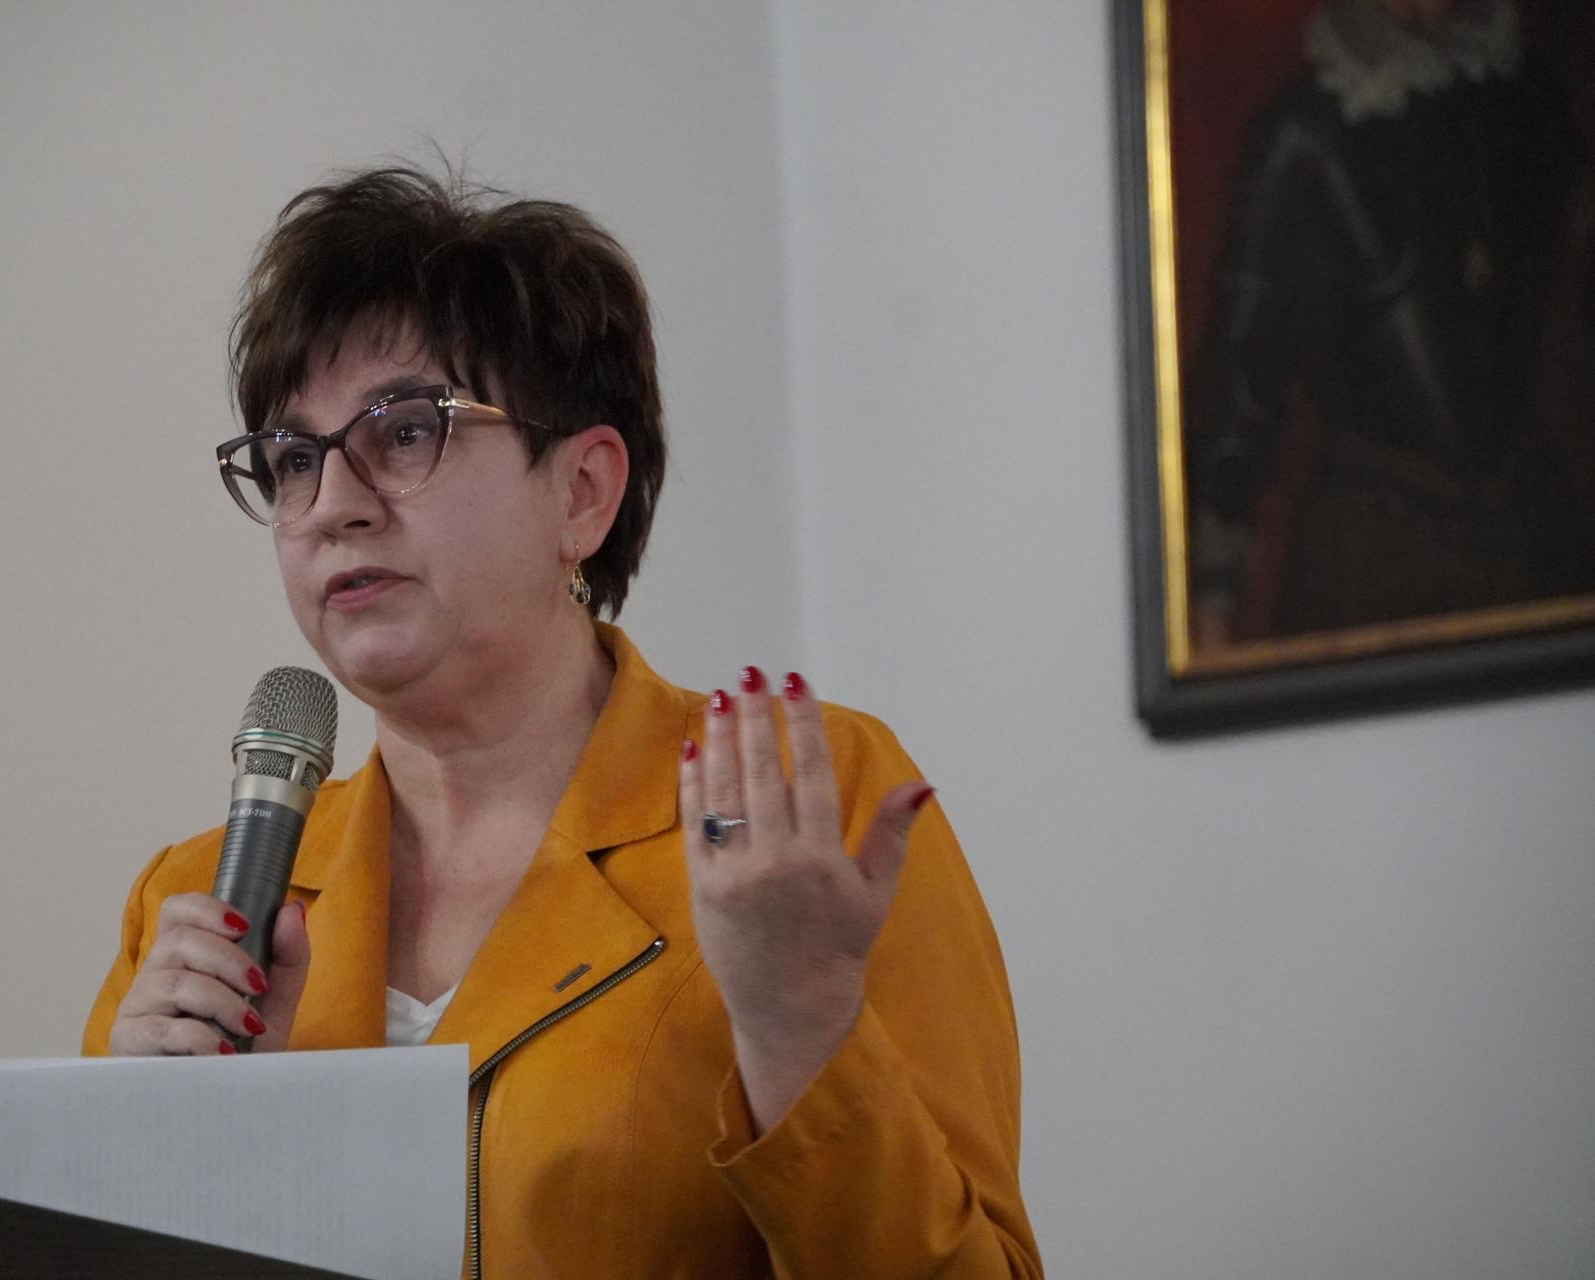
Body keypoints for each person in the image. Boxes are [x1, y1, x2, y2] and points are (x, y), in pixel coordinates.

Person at [81, 166, 1041, 1278]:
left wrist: (801, 1030)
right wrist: (145, 1159)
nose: (334, 504)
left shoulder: (802, 807)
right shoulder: (197, 908)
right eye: (295, 459)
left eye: (404, 432)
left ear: (582, 491)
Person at [1188, 0, 1595, 645]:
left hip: (1530, 537)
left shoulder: (1531, 96)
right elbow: (1241, 378)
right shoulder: (1303, 130)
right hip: (1367, 545)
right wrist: (1211, 603)